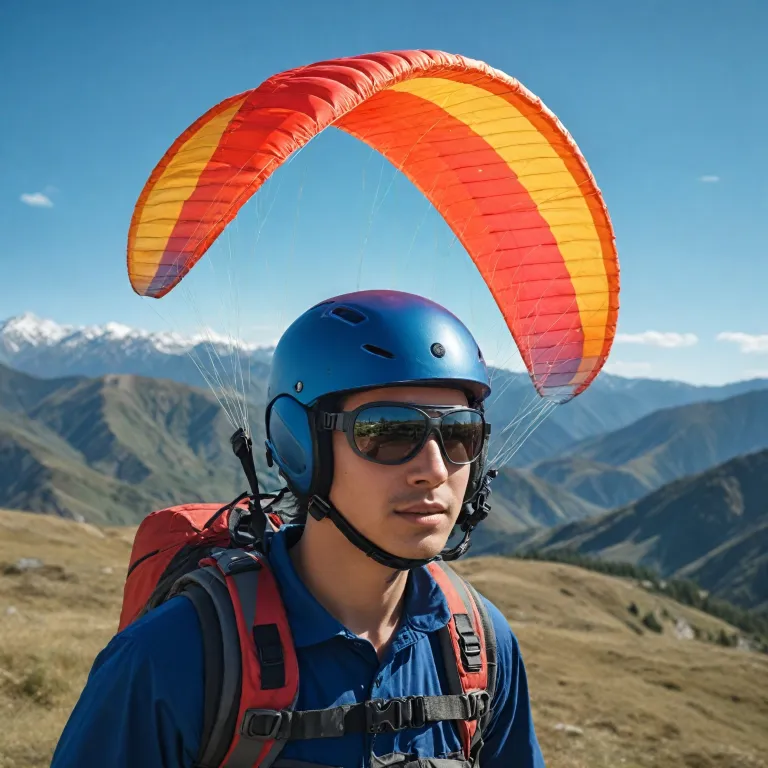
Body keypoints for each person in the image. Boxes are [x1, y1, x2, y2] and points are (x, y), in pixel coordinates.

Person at [52, 289, 546, 767]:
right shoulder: (172, 657)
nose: (435, 470)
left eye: (460, 433)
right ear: (301, 448)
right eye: (389, 432)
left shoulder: (480, 647)